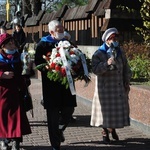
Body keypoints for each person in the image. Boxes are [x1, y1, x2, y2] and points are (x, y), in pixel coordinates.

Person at [34, 20, 77, 150]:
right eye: (59, 29)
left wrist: (75, 66)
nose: (62, 31)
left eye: (62, 29)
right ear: (51, 32)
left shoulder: (67, 43)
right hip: (51, 85)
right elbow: (38, 63)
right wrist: (51, 68)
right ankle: (55, 144)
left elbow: (76, 56)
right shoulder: (43, 44)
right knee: (52, 116)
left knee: (68, 111)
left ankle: (60, 129)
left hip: (66, 85)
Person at [90, 27, 132, 144]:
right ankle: (104, 133)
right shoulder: (99, 53)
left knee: (114, 113)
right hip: (105, 89)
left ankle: (112, 129)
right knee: (105, 113)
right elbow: (95, 69)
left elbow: (126, 66)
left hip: (118, 87)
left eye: (115, 37)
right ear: (106, 40)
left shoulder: (120, 51)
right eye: (111, 38)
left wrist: (127, 79)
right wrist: (106, 64)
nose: (114, 40)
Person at [0, 33, 31, 150]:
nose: (12, 45)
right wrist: (2, 75)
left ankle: (16, 141)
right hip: (2, 92)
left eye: (13, 43)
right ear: (3, 46)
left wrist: (27, 72)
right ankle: (3, 139)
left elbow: (26, 73)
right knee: (2, 116)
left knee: (16, 116)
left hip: (17, 91)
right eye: (9, 43)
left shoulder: (20, 56)